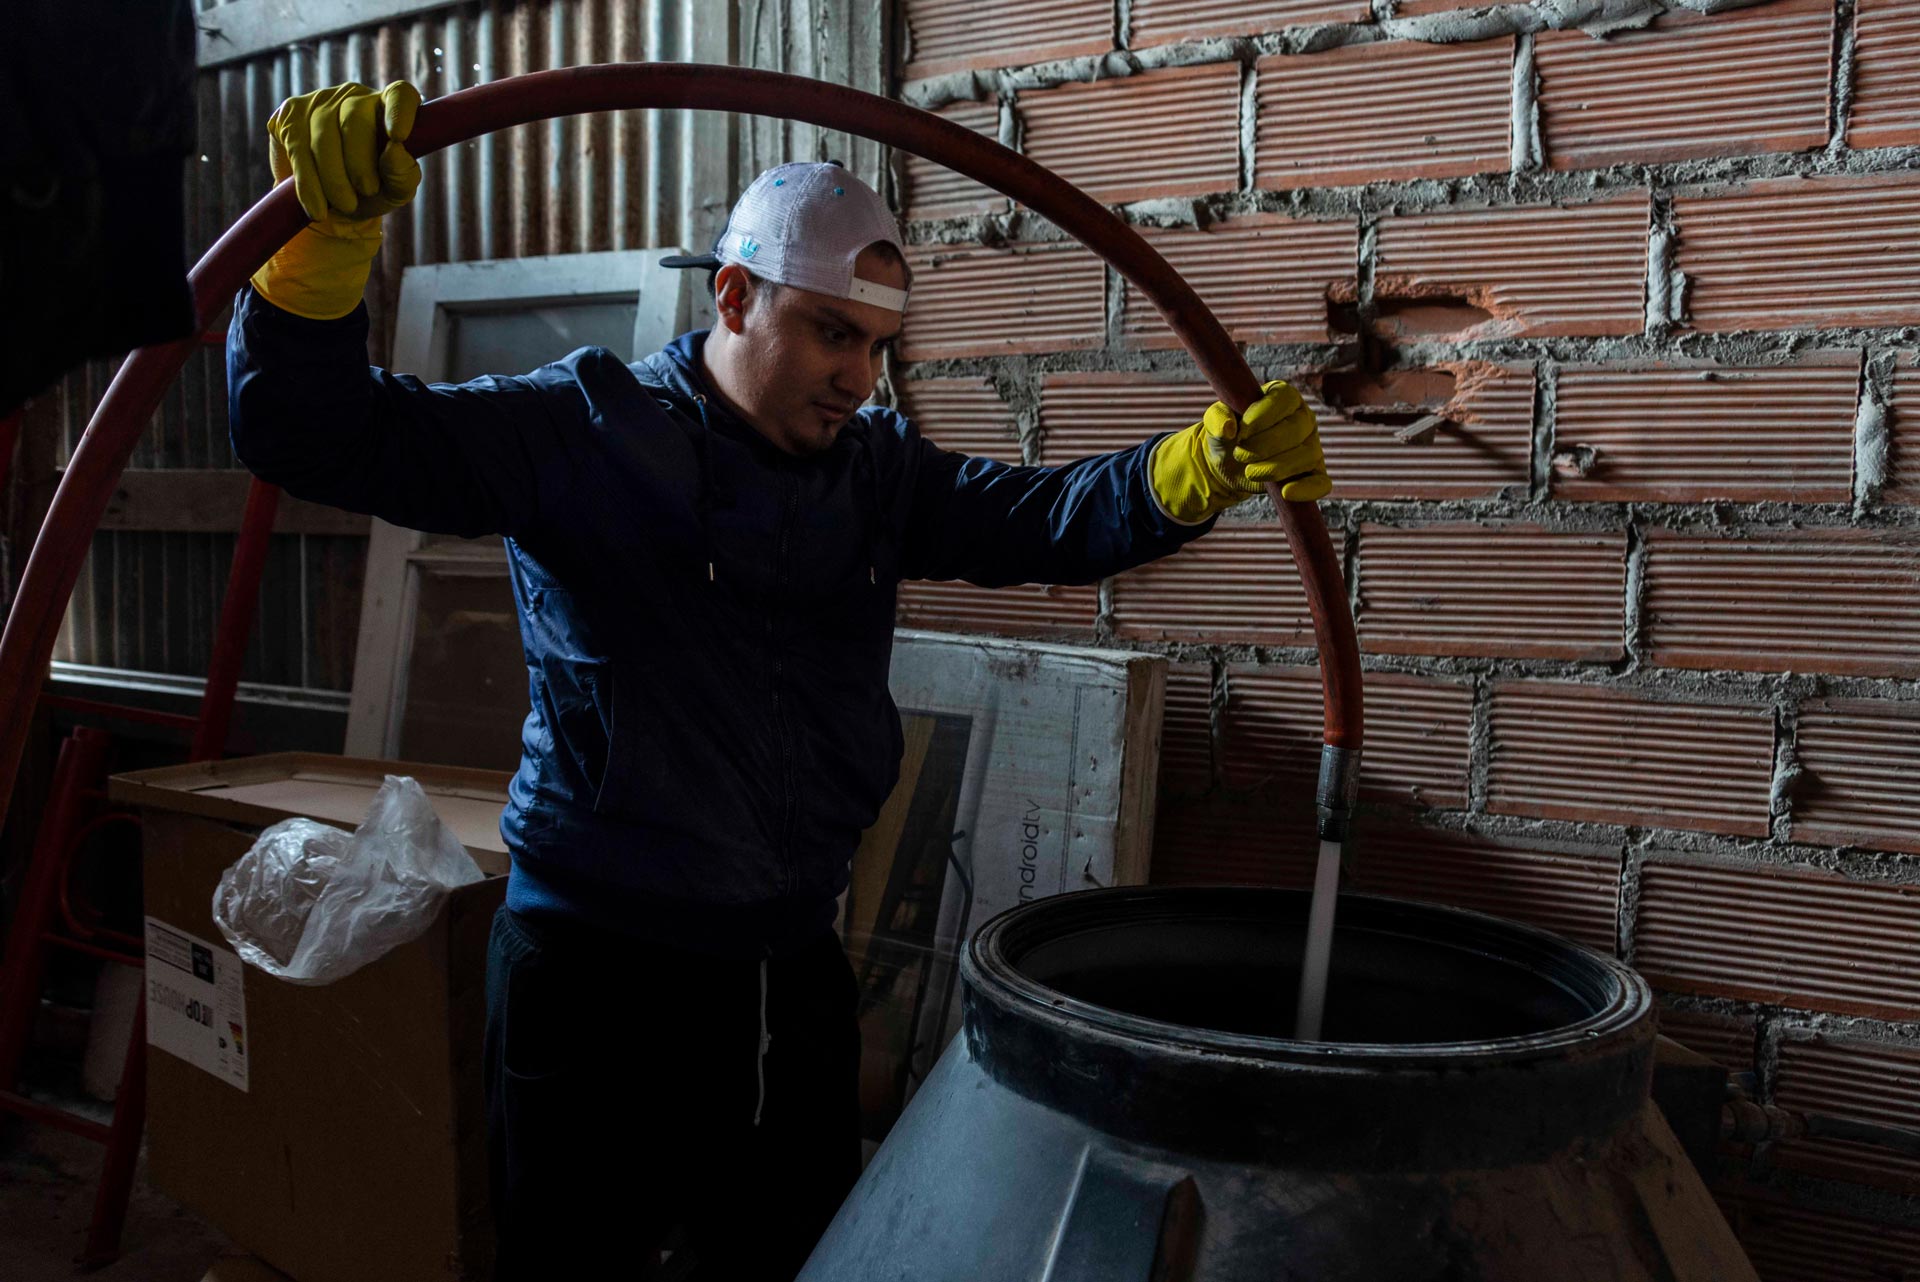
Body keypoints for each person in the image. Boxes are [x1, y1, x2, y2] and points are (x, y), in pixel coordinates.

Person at [226, 80, 1330, 1281]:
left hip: (783, 975)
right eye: (829, 331)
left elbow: (1041, 521)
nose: (859, 376)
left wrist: (1192, 469)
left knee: (794, 1259)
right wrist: (322, 250)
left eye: (875, 345)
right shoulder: (578, 435)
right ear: (735, 296)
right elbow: (315, 433)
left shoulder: (872, 474)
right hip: (594, 975)